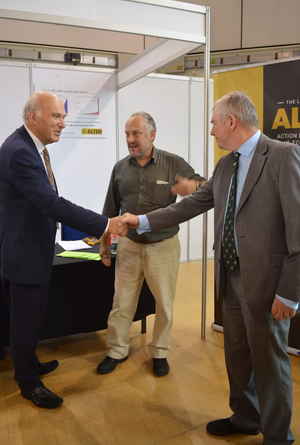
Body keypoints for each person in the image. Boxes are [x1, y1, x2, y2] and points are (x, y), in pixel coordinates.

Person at [119, 92, 300, 444]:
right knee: (236, 354)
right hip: (230, 279)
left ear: (231, 121)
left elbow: (299, 231)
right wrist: (139, 219)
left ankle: (278, 436)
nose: (212, 131)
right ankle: (246, 417)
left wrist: (290, 293)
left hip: (267, 285)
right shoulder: (225, 165)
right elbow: (186, 208)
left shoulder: (282, 156)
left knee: (270, 363)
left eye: (214, 123)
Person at [0, 91, 127, 409]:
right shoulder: (19, 152)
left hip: (34, 250)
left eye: (63, 116)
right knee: (24, 321)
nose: (62, 123)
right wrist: (104, 224)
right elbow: (51, 203)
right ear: (33, 117)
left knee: (32, 317)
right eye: (56, 116)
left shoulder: (32, 147)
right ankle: (28, 384)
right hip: (24, 254)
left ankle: (29, 363)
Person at [97, 111, 205, 377]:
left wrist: (192, 186)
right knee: (121, 302)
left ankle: (159, 352)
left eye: (136, 134)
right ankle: (117, 350)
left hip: (163, 246)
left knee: (164, 304)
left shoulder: (172, 163)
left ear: (152, 135)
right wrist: (103, 243)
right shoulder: (120, 168)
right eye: (127, 134)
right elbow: (110, 209)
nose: (130, 140)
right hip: (129, 246)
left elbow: (206, 187)